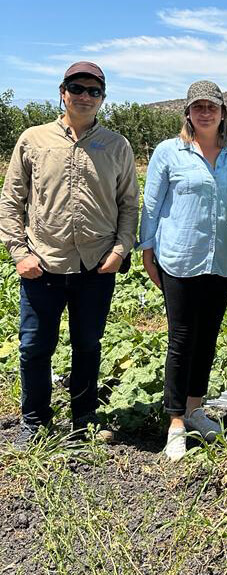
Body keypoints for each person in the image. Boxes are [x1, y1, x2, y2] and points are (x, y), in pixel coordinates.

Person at [0, 62, 139, 447]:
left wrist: (120, 248)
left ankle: (83, 418)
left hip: (96, 264)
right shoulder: (33, 139)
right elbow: (11, 200)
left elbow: (129, 204)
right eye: (78, 88)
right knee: (33, 346)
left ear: (103, 99)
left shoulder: (118, 145)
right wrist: (18, 252)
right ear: (62, 91)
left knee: (88, 344)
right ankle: (34, 421)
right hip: (42, 263)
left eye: (94, 91)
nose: (85, 96)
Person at [138, 81, 227, 460]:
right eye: (198, 106)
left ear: (223, 112)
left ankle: (195, 408)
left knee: (208, 336)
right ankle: (175, 422)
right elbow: (151, 205)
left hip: (222, 260)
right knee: (182, 337)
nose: (205, 112)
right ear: (188, 112)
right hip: (179, 258)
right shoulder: (170, 153)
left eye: (212, 106)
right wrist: (147, 250)